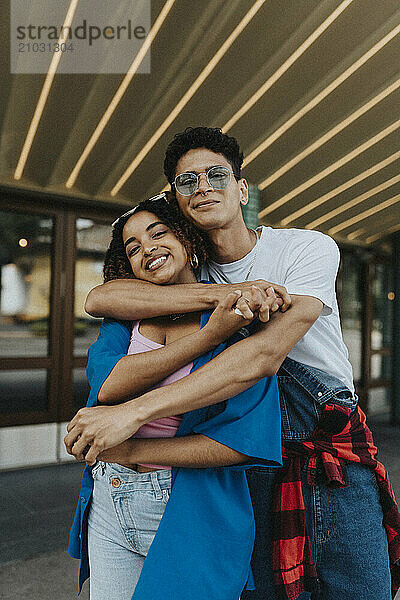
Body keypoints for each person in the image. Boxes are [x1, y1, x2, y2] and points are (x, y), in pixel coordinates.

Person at [65, 127, 400, 599]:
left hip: (322, 443)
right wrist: (225, 294)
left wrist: (133, 413)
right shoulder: (184, 268)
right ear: (176, 202)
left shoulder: (305, 247)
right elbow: (102, 296)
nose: (202, 186)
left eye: (216, 175)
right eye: (187, 182)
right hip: (248, 457)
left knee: (360, 588)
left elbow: (263, 355)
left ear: (242, 190)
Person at [68, 194, 283, 600]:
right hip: (109, 499)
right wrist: (207, 338)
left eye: (158, 233)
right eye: (133, 248)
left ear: (186, 239)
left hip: (189, 505)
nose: (147, 249)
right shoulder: (125, 319)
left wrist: (130, 448)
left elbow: (242, 444)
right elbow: (109, 385)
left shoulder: (239, 322)